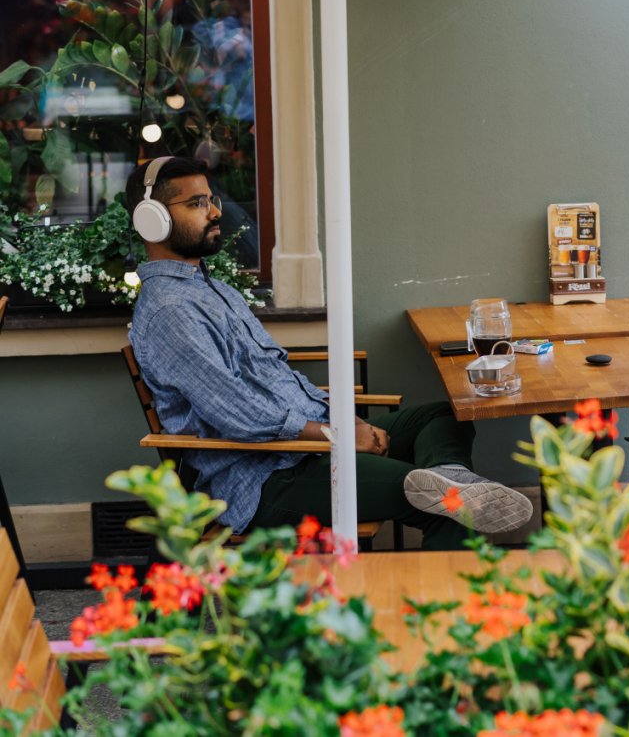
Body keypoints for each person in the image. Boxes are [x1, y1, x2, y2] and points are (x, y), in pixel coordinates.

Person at [125, 156, 533, 550]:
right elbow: (235, 411)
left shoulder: (211, 290)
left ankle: (446, 474)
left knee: (443, 416)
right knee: (450, 507)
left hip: (308, 447)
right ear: (152, 220)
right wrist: (336, 435)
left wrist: (343, 420)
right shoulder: (170, 311)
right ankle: (445, 559)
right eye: (197, 203)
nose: (215, 212)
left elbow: (277, 377)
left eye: (211, 199)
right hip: (267, 476)